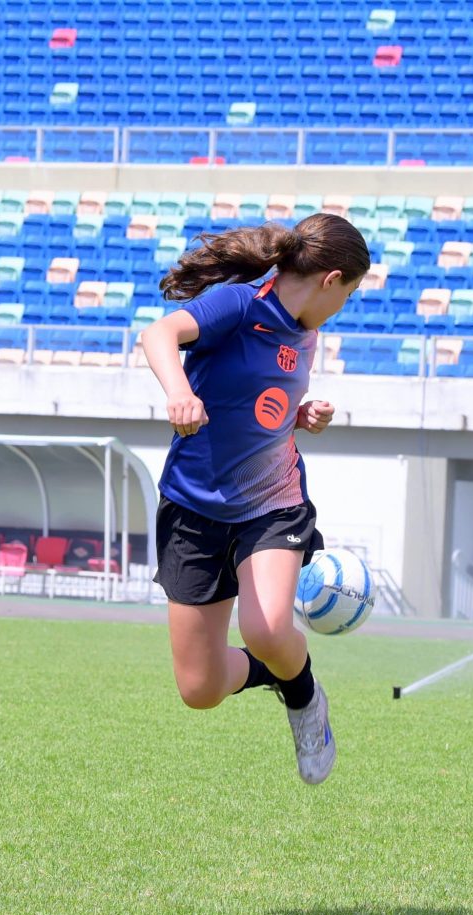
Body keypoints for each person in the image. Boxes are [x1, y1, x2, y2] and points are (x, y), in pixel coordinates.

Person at [140, 213, 370, 785]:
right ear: (330, 279)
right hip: (194, 508)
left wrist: (300, 414)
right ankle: (279, 676)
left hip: (272, 501)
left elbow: (258, 400)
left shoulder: (307, 334)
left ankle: (306, 702)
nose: (341, 307)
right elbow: (157, 334)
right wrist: (179, 391)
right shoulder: (240, 304)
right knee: (200, 688)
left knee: (266, 631)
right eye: (347, 295)